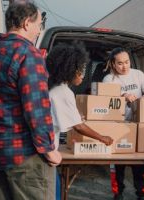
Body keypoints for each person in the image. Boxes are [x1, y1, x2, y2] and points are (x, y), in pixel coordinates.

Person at [0, 2, 62, 200]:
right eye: (39, 24)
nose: (39, 30)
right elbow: (36, 108)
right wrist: (48, 149)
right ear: (27, 23)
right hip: (25, 157)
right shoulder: (28, 54)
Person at [46, 43, 114, 200]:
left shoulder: (53, 87)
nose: (83, 74)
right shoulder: (63, 92)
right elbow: (79, 126)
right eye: (80, 70)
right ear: (69, 69)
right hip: (46, 155)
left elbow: (67, 119)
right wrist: (103, 138)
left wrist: (76, 119)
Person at [102, 47, 144, 200]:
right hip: (118, 125)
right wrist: (123, 95)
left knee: (139, 163)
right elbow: (104, 99)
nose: (124, 66)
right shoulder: (108, 79)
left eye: (127, 62)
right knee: (118, 163)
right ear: (113, 64)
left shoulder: (138, 74)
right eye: (120, 63)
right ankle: (118, 193)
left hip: (138, 125)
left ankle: (141, 194)